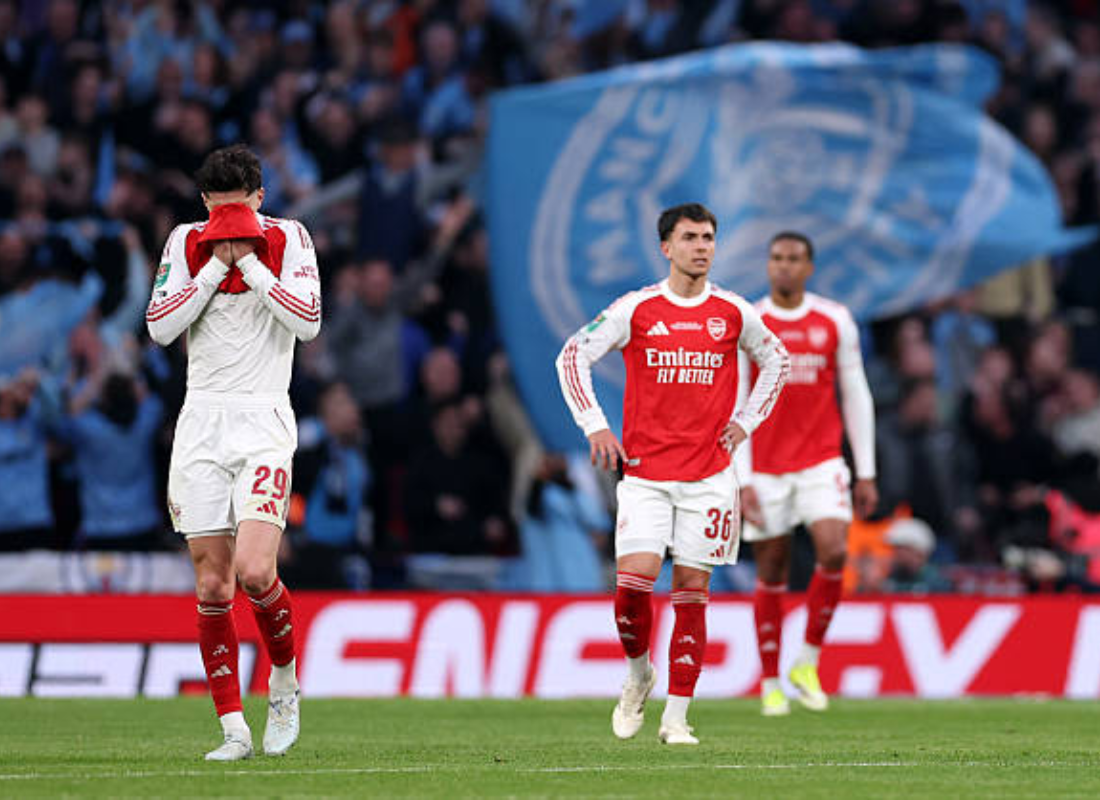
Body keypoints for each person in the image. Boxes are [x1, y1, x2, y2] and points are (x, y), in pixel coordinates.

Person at [555, 203, 790, 745]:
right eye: (690, 238)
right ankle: (639, 674)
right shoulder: (638, 309)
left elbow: (778, 360)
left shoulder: (732, 311)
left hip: (710, 478)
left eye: (708, 238)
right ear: (666, 247)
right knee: (632, 588)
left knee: (691, 590)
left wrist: (746, 421)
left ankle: (678, 718)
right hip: (646, 475)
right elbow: (571, 356)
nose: (701, 247)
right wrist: (595, 426)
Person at [146, 144, 321, 761]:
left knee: (254, 570)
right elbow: (160, 327)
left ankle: (284, 683)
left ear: (259, 198)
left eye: (239, 209)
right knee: (213, 584)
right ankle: (233, 730)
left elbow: (308, 321)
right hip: (201, 422)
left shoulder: (290, 237)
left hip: (263, 419)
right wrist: (213, 269)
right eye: (218, 211)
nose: (228, 222)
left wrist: (251, 263)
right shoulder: (183, 241)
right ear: (204, 202)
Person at [734, 231, 877, 717]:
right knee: (771, 570)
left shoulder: (834, 320)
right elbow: (737, 402)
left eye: (794, 259)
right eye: (777, 258)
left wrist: (866, 470)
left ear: (809, 267)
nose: (784, 266)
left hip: (820, 461)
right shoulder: (751, 323)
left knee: (834, 550)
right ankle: (770, 681)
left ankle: (808, 661)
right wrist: (742, 480)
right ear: (768, 264)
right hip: (765, 467)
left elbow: (856, 393)